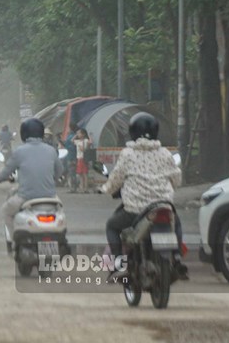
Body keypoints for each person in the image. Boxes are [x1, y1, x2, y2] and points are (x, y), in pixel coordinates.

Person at [100, 112, 187, 279]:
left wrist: (105, 189)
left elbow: (116, 179)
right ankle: (176, 257)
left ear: (132, 131)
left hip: (135, 210)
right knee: (176, 223)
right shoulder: (165, 153)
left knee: (111, 225)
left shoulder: (127, 153)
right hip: (163, 206)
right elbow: (177, 179)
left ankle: (119, 263)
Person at [0, 118, 63, 237]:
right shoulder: (51, 150)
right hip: (50, 197)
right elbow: (60, 170)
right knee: (60, 212)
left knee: (6, 211)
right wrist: (53, 180)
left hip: (25, 197)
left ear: (24, 133)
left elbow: (6, 172)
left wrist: (1, 178)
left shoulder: (19, 151)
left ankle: (13, 241)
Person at [74, 128, 91, 193]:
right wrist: (76, 135)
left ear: (83, 134)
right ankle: (82, 187)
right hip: (79, 158)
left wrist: (89, 136)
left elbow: (90, 143)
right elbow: (71, 140)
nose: (78, 134)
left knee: (84, 174)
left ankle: (85, 188)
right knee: (81, 174)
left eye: (79, 133)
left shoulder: (85, 141)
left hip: (82, 158)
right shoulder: (78, 141)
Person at [64, 123, 79, 192]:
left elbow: (70, 146)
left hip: (71, 156)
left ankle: (73, 188)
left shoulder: (72, 136)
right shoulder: (72, 136)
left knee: (72, 172)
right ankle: (72, 187)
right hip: (71, 156)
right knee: (72, 172)